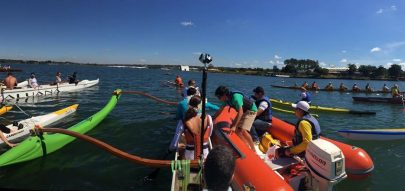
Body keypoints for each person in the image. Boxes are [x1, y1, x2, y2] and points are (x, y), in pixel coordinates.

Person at [215, 86, 257, 151]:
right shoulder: (226, 99)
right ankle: (245, 145)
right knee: (238, 130)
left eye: (219, 97)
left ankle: (252, 149)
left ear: (224, 95)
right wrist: (213, 118)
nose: (218, 99)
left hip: (251, 110)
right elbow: (220, 110)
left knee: (242, 130)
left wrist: (234, 126)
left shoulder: (235, 97)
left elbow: (241, 111)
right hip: (244, 111)